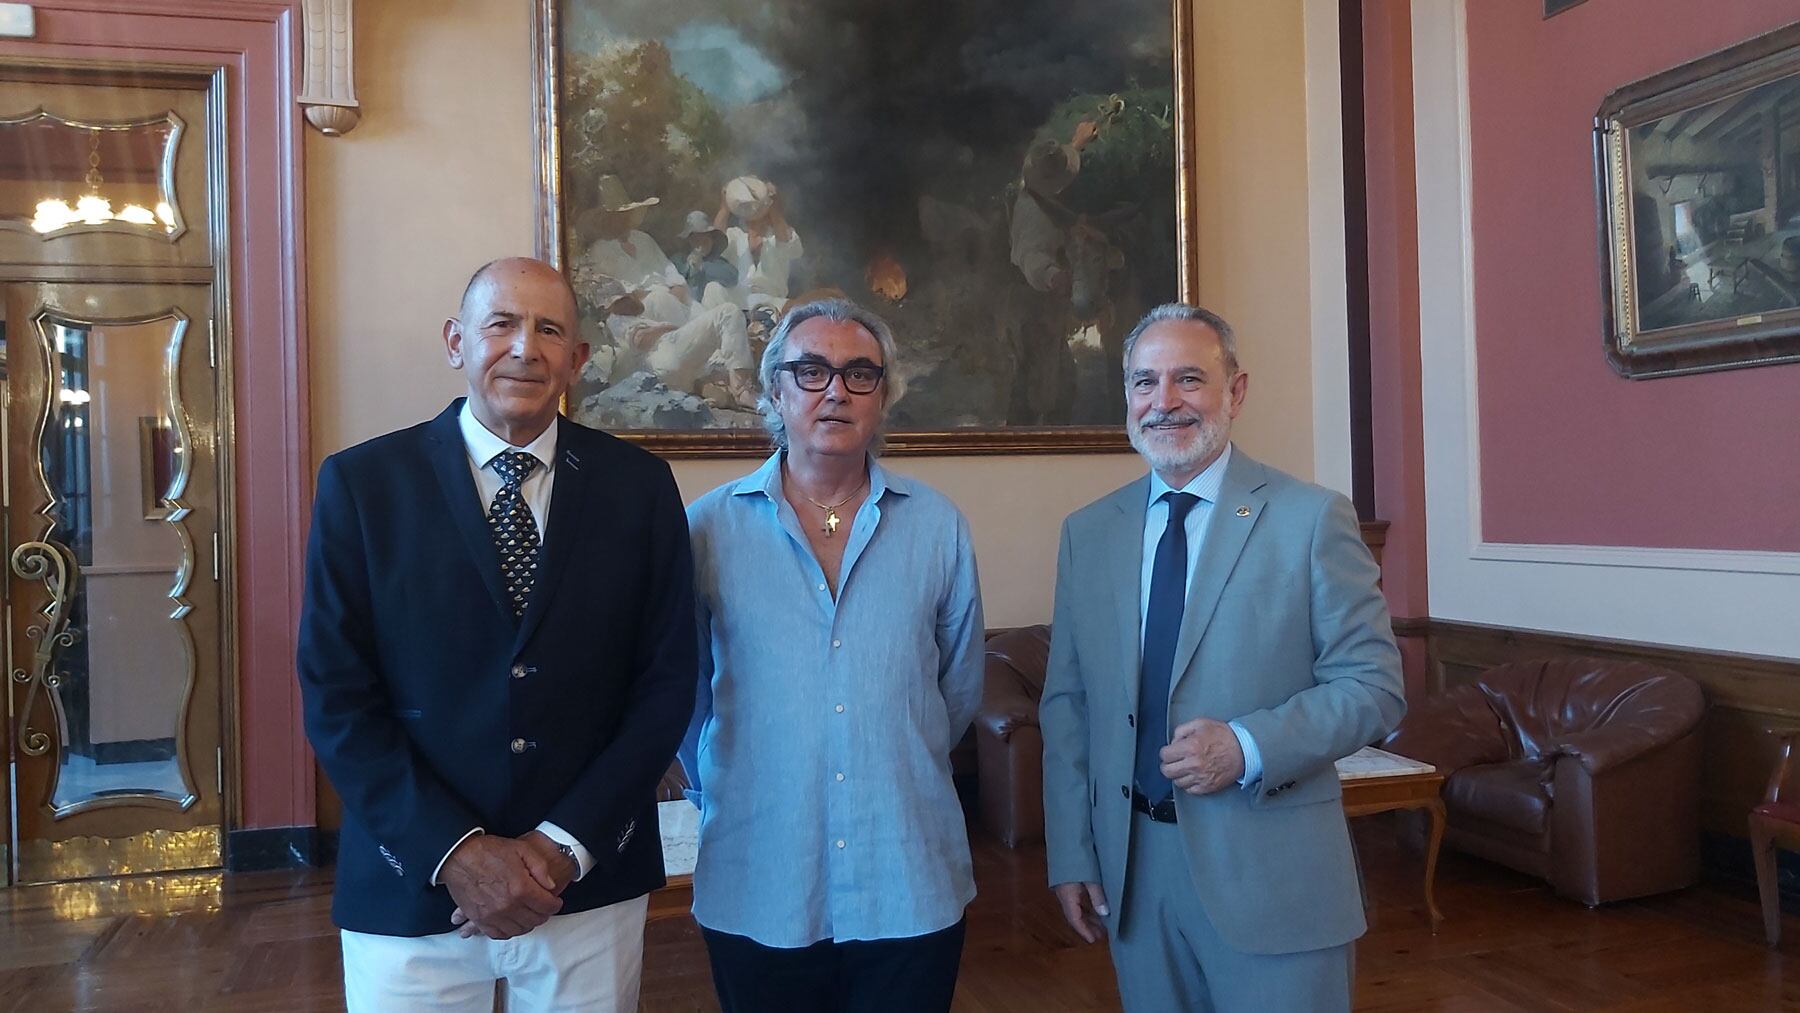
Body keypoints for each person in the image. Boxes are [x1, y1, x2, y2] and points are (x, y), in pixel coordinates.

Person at [298, 257, 697, 1012]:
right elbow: (336, 693)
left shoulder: (639, 486)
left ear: (577, 358)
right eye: (502, 324)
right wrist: (454, 854)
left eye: (550, 330)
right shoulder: (363, 485)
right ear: (457, 341)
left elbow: (667, 680)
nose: (525, 348)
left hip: (585, 883)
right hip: (414, 886)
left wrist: (563, 845)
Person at [1038, 303, 1406, 1012]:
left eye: (1188, 379)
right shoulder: (1090, 532)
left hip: (1272, 871)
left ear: (1235, 392)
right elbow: (1068, 705)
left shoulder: (1310, 518)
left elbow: (1374, 686)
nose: (1164, 402)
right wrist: (1073, 850)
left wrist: (1246, 745)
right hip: (1134, 874)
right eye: (1144, 382)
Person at [678, 298, 984, 1013]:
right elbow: (684, 690)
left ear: (883, 395)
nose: (836, 391)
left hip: (907, 874)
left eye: (859, 373)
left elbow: (958, 685)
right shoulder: (708, 528)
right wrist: (722, 779)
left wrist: (890, 750)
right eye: (811, 371)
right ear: (775, 390)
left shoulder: (937, 526)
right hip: (760, 873)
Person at [715, 175, 804, 317]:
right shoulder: (735, 236)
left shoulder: (778, 236)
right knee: (713, 289)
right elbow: (715, 243)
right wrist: (724, 208)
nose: (752, 210)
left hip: (772, 303)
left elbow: (788, 243)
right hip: (739, 302)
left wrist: (773, 205)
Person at [676, 209, 741, 306]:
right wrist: (689, 268)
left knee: (713, 288)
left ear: (712, 240)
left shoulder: (718, 262)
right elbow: (672, 279)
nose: (700, 244)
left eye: (705, 240)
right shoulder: (678, 260)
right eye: (696, 240)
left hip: (710, 311)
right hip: (687, 309)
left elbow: (732, 277)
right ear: (689, 241)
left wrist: (702, 266)